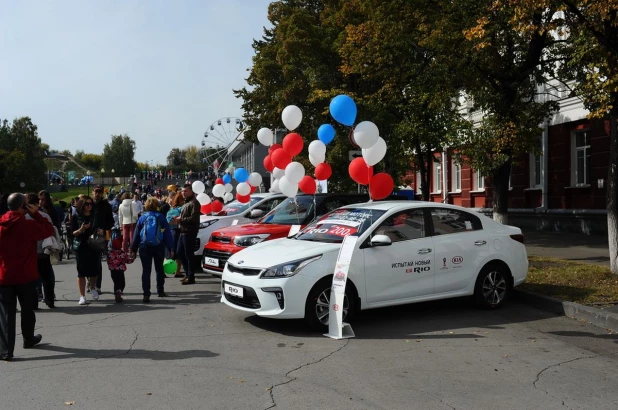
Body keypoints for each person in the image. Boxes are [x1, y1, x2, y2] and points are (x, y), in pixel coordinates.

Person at [0, 193, 54, 360]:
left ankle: (5, 350)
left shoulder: (2, 223)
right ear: (24, 206)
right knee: (27, 310)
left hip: (5, 275)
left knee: (6, 313)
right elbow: (49, 230)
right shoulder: (28, 225)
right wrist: (35, 213)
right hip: (26, 275)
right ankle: (28, 338)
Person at [131, 198, 173, 303]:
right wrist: (171, 248)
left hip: (144, 246)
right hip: (158, 246)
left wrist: (133, 249)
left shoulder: (142, 218)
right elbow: (167, 234)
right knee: (159, 269)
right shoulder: (161, 217)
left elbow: (136, 235)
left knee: (146, 271)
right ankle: (160, 290)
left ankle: (146, 294)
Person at [25, 193, 56, 309]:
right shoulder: (44, 216)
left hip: (29, 253)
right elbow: (51, 230)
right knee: (47, 278)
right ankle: (50, 300)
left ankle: (33, 302)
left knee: (31, 279)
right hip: (43, 250)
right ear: (37, 204)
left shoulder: (23, 217)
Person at [72, 196, 102, 305]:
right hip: (81, 246)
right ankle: (82, 296)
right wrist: (81, 229)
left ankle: (93, 287)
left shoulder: (95, 216)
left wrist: (100, 231)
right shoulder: (76, 216)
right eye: (86, 204)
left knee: (94, 270)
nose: (89, 206)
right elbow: (73, 233)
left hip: (93, 245)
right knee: (81, 272)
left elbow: (100, 227)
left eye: (90, 204)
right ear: (82, 205)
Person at [175, 184, 200, 285]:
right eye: (182, 191)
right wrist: (177, 219)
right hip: (183, 230)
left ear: (191, 191)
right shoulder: (186, 203)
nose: (183, 193)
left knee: (189, 254)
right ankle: (187, 273)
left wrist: (181, 219)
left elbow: (193, 218)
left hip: (190, 231)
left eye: (185, 191)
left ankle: (191, 277)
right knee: (179, 252)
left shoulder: (194, 202)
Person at [92, 186, 114, 293]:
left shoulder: (106, 206)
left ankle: (97, 285)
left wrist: (104, 228)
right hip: (88, 235)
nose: (97, 194)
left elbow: (111, 222)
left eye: (99, 193)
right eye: (96, 192)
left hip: (100, 236)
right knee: (88, 260)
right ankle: (90, 282)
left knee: (96, 260)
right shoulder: (88, 204)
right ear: (93, 193)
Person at [166, 192, 184, 278]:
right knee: (179, 251)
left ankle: (168, 268)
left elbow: (167, 222)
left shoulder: (170, 210)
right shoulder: (181, 209)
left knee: (171, 250)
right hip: (178, 231)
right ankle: (177, 271)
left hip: (170, 231)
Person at [107, 236, 128, 303]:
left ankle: (116, 295)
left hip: (113, 271)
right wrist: (133, 258)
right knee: (122, 283)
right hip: (120, 271)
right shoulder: (122, 253)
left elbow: (108, 261)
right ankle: (119, 293)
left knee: (116, 283)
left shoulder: (110, 253)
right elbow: (127, 260)